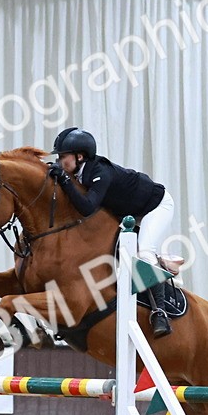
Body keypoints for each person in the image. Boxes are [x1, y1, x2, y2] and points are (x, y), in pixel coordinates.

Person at [47, 127, 181, 337]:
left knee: (144, 252)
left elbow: (88, 206)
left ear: (80, 156)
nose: (60, 162)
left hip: (155, 206)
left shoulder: (101, 171)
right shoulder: (77, 173)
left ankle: (160, 312)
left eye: (63, 157)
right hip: (127, 212)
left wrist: (63, 180)